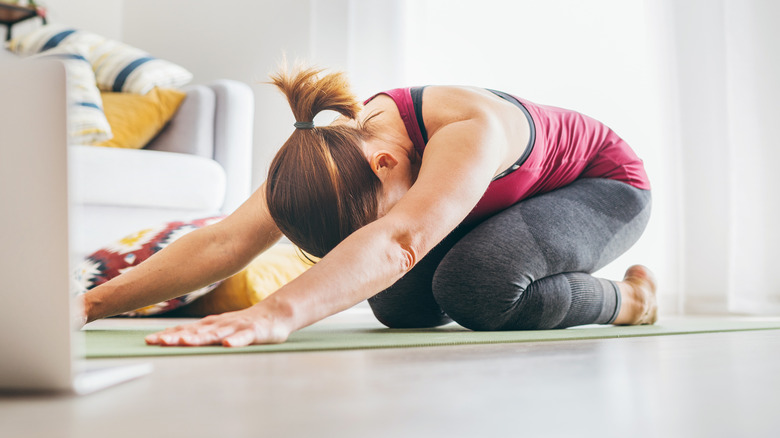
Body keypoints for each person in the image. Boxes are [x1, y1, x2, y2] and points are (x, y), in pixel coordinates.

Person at [80, 65, 657, 347]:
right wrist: (86, 306)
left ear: (384, 165)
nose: (371, 228)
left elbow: (400, 240)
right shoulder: (322, 155)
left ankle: (630, 300)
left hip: (603, 187)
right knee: (397, 303)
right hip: (501, 209)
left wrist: (272, 315)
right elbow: (227, 239)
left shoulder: (464, 128)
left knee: (477, 285)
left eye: (369, 217)